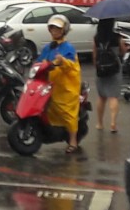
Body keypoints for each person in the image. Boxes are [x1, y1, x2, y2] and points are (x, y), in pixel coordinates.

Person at [36, 14, 82, 154]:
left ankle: (73, 141)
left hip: (65, 87)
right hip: (50, 84)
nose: (55, 31)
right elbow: (39, 61)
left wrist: (63, 61)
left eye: (58, 29)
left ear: (63, 31)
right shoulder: (48, 47)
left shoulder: (68, 48)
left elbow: (72, 66)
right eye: (53, 28)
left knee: (68, 113)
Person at [93, 18, 125, 133]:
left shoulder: (96, 38)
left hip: (101, 69)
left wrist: (97, 66)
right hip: (114, 69)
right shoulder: (117, 37)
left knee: (102, 97)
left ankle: (100, 123)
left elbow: (94, 55)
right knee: (113, 97)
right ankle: (113, 123)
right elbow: (122, 52)